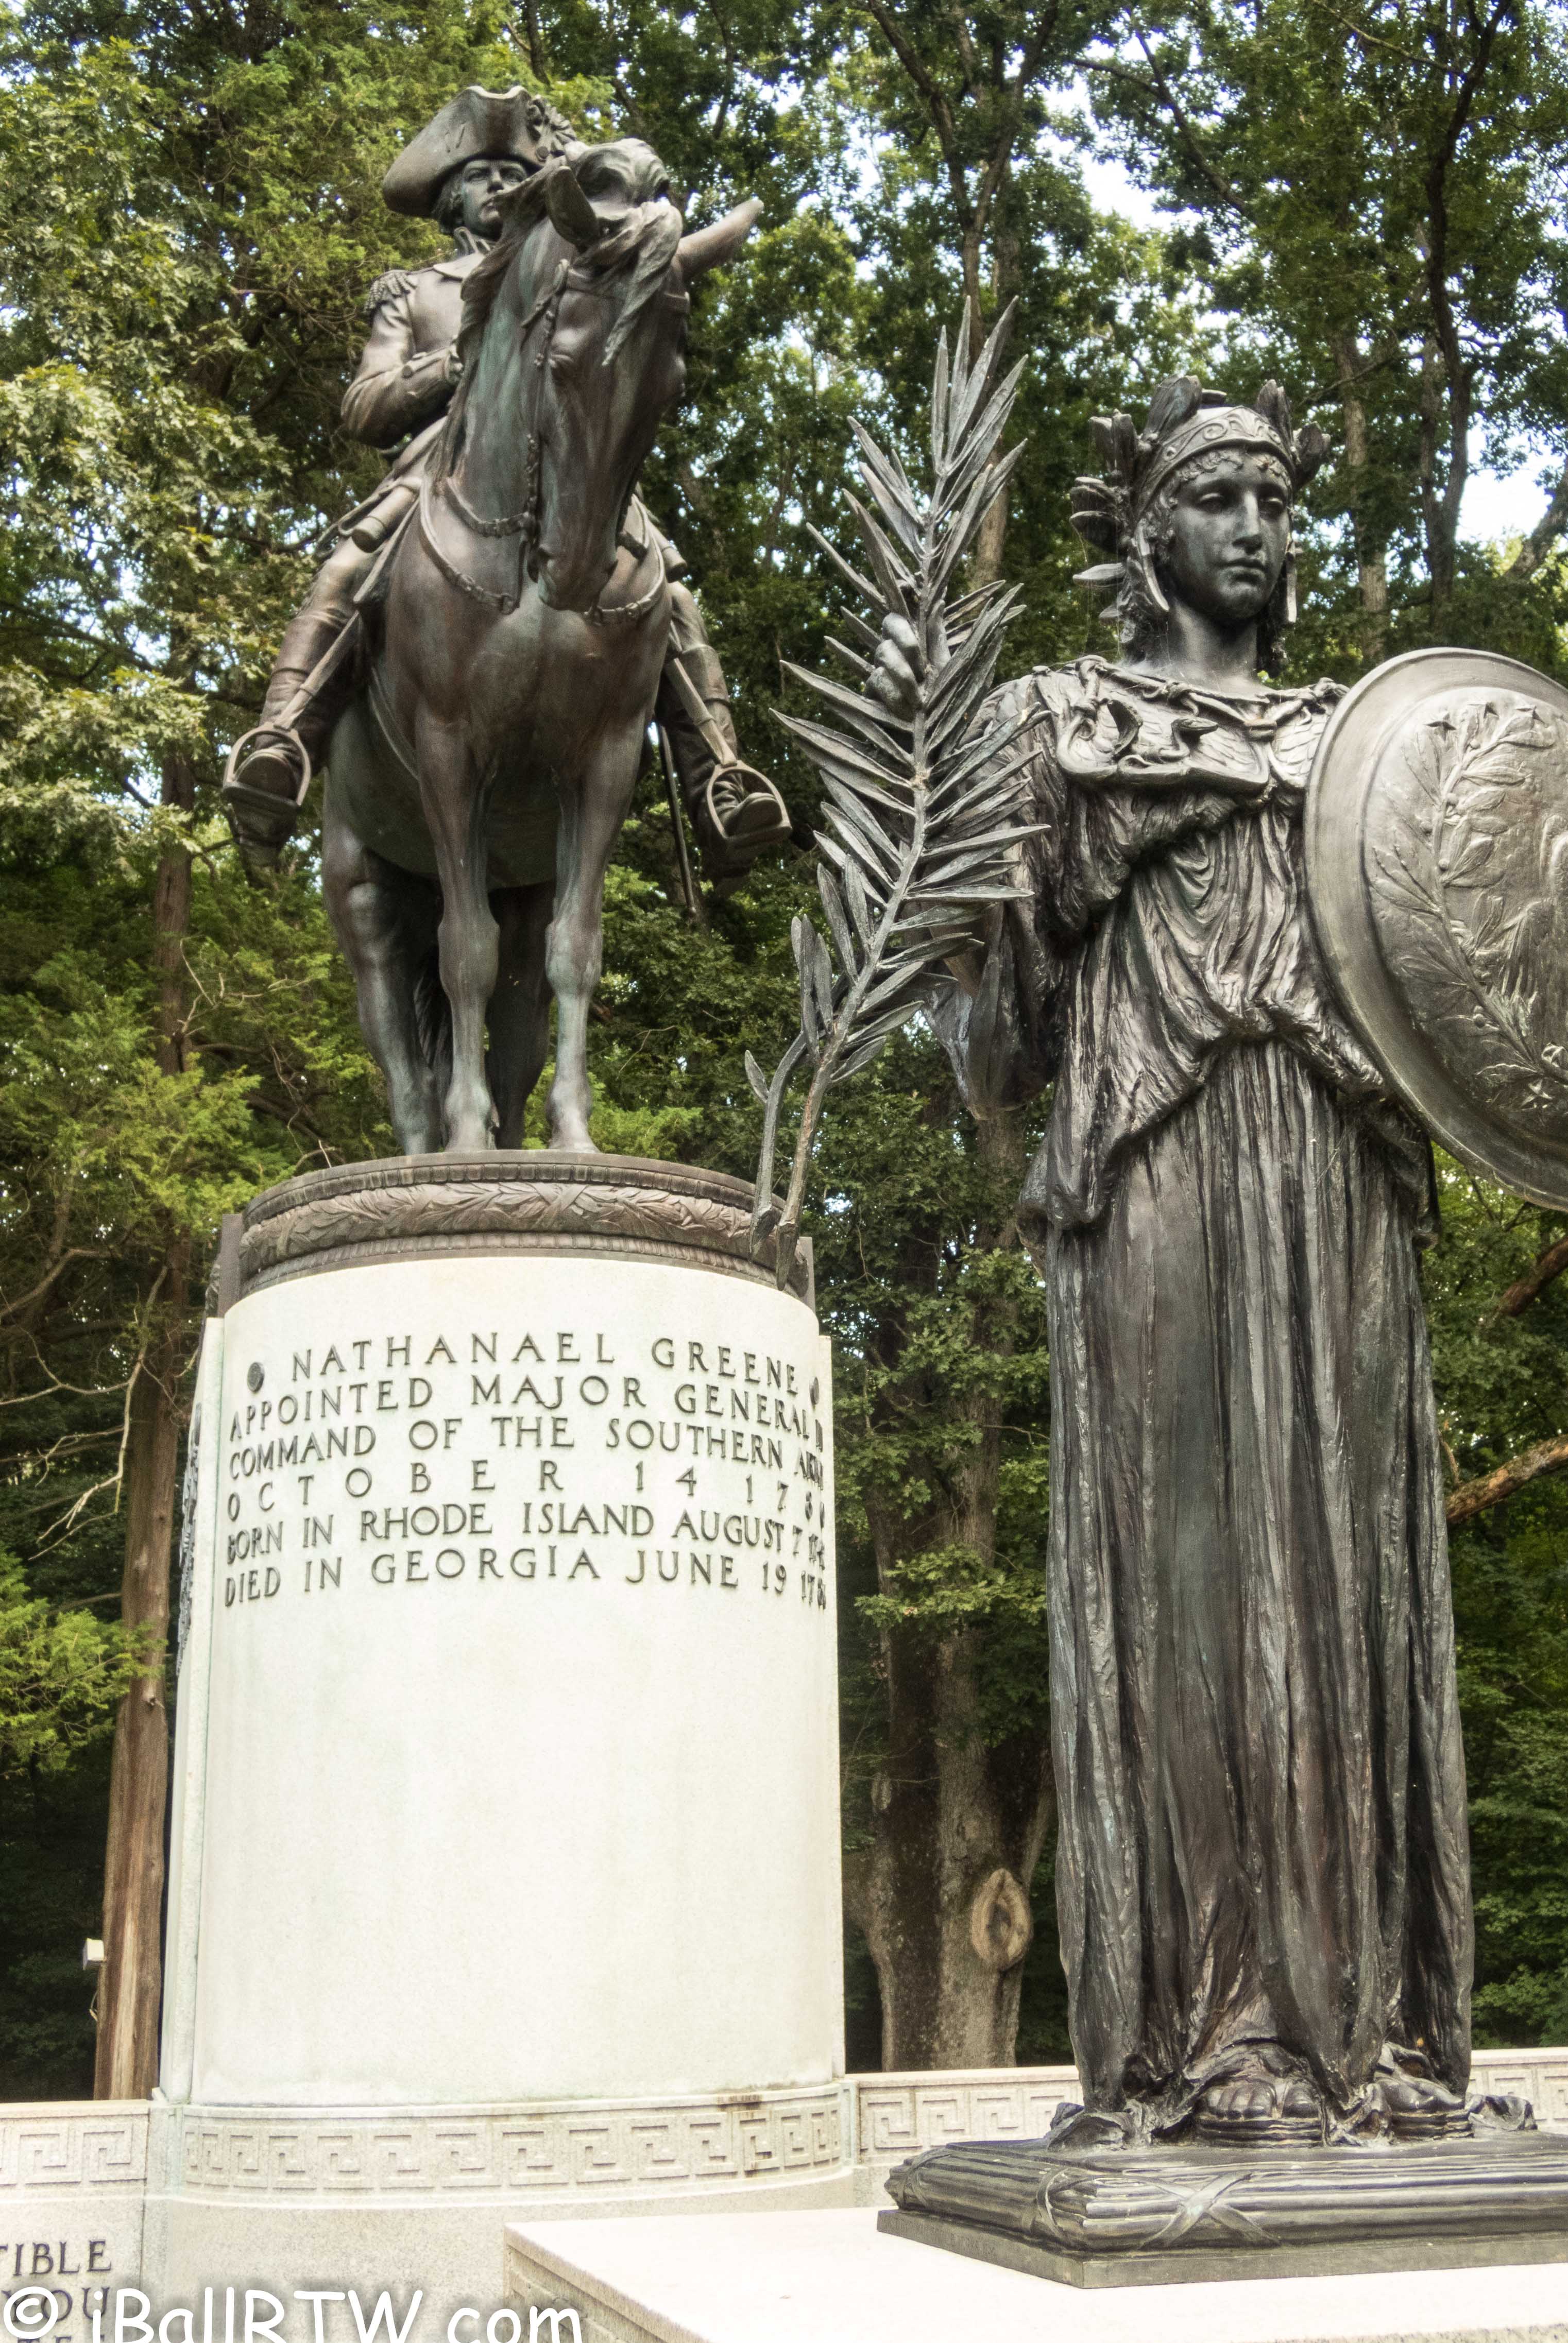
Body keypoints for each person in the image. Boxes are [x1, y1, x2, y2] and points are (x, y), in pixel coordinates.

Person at [895, 378, 1474, 2146]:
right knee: (1194, 1574)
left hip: (1340, 1169)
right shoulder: (1054, 724)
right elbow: (985, 1044)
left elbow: (1460, 985)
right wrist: (1020, 896)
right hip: (1156, 1163)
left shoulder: (1362, 742)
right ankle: (1213, 2031)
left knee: (1350, 1575)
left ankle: (1374, 2037)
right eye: (1219, 496)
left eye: (1276, 501)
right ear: (1145, 528)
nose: (1255, 529)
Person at [223, 85, 788, 882]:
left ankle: (719, 778)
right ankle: (282, 743)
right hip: (443, 466)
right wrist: (454, 363)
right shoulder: (414, 291)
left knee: (667, 588)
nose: (497, 185)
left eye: (513, 174)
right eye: (481, 174)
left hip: (567, 459)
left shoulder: (574, 273)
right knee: (349, 568)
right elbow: (364, 407)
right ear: (450, 197)